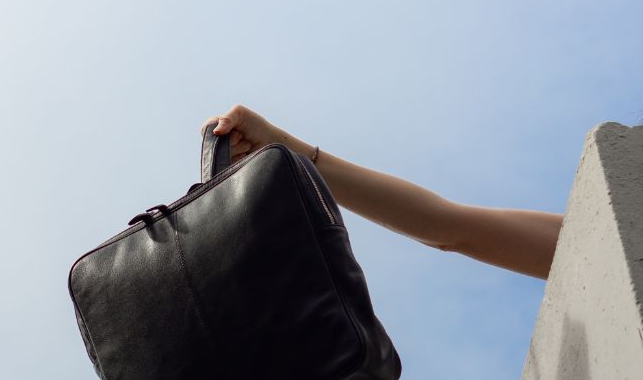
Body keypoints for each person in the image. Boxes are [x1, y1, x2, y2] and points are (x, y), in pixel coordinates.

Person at [202, 105, 563, 280]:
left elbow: (448, 229)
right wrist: (290, 152)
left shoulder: (597, 238)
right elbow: (445, 227)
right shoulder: (592, 237)